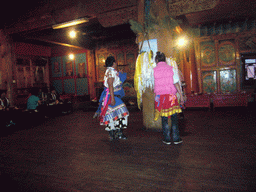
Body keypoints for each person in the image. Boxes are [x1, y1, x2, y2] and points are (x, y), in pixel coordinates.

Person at [153, 51, 184, 145]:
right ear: (165, 59)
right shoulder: (171, 69)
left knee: (164, 118)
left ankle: (166, 138)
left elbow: (155, 85)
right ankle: (176, 138)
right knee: (174, 118)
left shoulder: (154, 70)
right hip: (171, 96)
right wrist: (181, 96)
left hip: (161, 97)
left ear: (156, 60)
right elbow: (176, 83)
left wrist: (155, 98)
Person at [98, 56, 129, 141]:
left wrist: (120, 74)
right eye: (115, 62)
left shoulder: (111, 71)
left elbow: (116, 82)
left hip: (112, 96)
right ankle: (116, 133)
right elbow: (110, 85)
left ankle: (115, 134)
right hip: (112, 97)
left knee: (115, 115)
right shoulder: (111, 72)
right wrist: (112, 98)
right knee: (122, 113)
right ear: (113, 63)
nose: (116, 64)